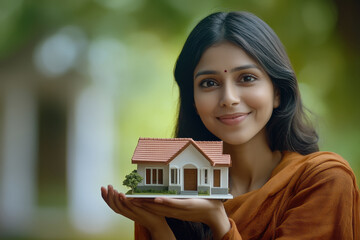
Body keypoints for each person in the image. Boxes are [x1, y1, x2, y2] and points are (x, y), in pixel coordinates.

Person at [101, 11, 360, 239]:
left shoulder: (321, 180)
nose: (229, 99)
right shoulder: (167, 194)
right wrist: (157, 228)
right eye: (209, 83)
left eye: (247, 78)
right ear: (192, 100)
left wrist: (218, 221)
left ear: (278, 92)